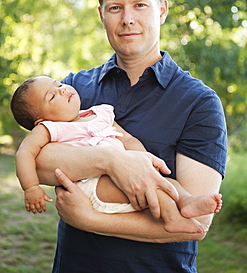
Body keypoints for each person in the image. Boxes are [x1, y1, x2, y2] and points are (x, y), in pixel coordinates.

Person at [33, 0, 227, 272]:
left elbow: (197, 222)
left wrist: (90, 220)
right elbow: (37, 161)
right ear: (101, 15)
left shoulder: (199, 103)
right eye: (115, 7)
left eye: (140, 5)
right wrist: (113, 161)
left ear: (161, 9)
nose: (127, 19)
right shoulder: (72, 90)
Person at [11, 75, 222, 235]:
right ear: (40, 119)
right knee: (152, 188)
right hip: (93, 185)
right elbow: (26, 153)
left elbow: (127, 139)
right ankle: (171, 218)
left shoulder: (99, 113)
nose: (63, 90)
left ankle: (186, 201)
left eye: (58, 84)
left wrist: (142, 159)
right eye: (52, 96)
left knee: (165, 182)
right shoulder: (50, 128)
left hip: (125, 175)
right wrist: (31, 187)